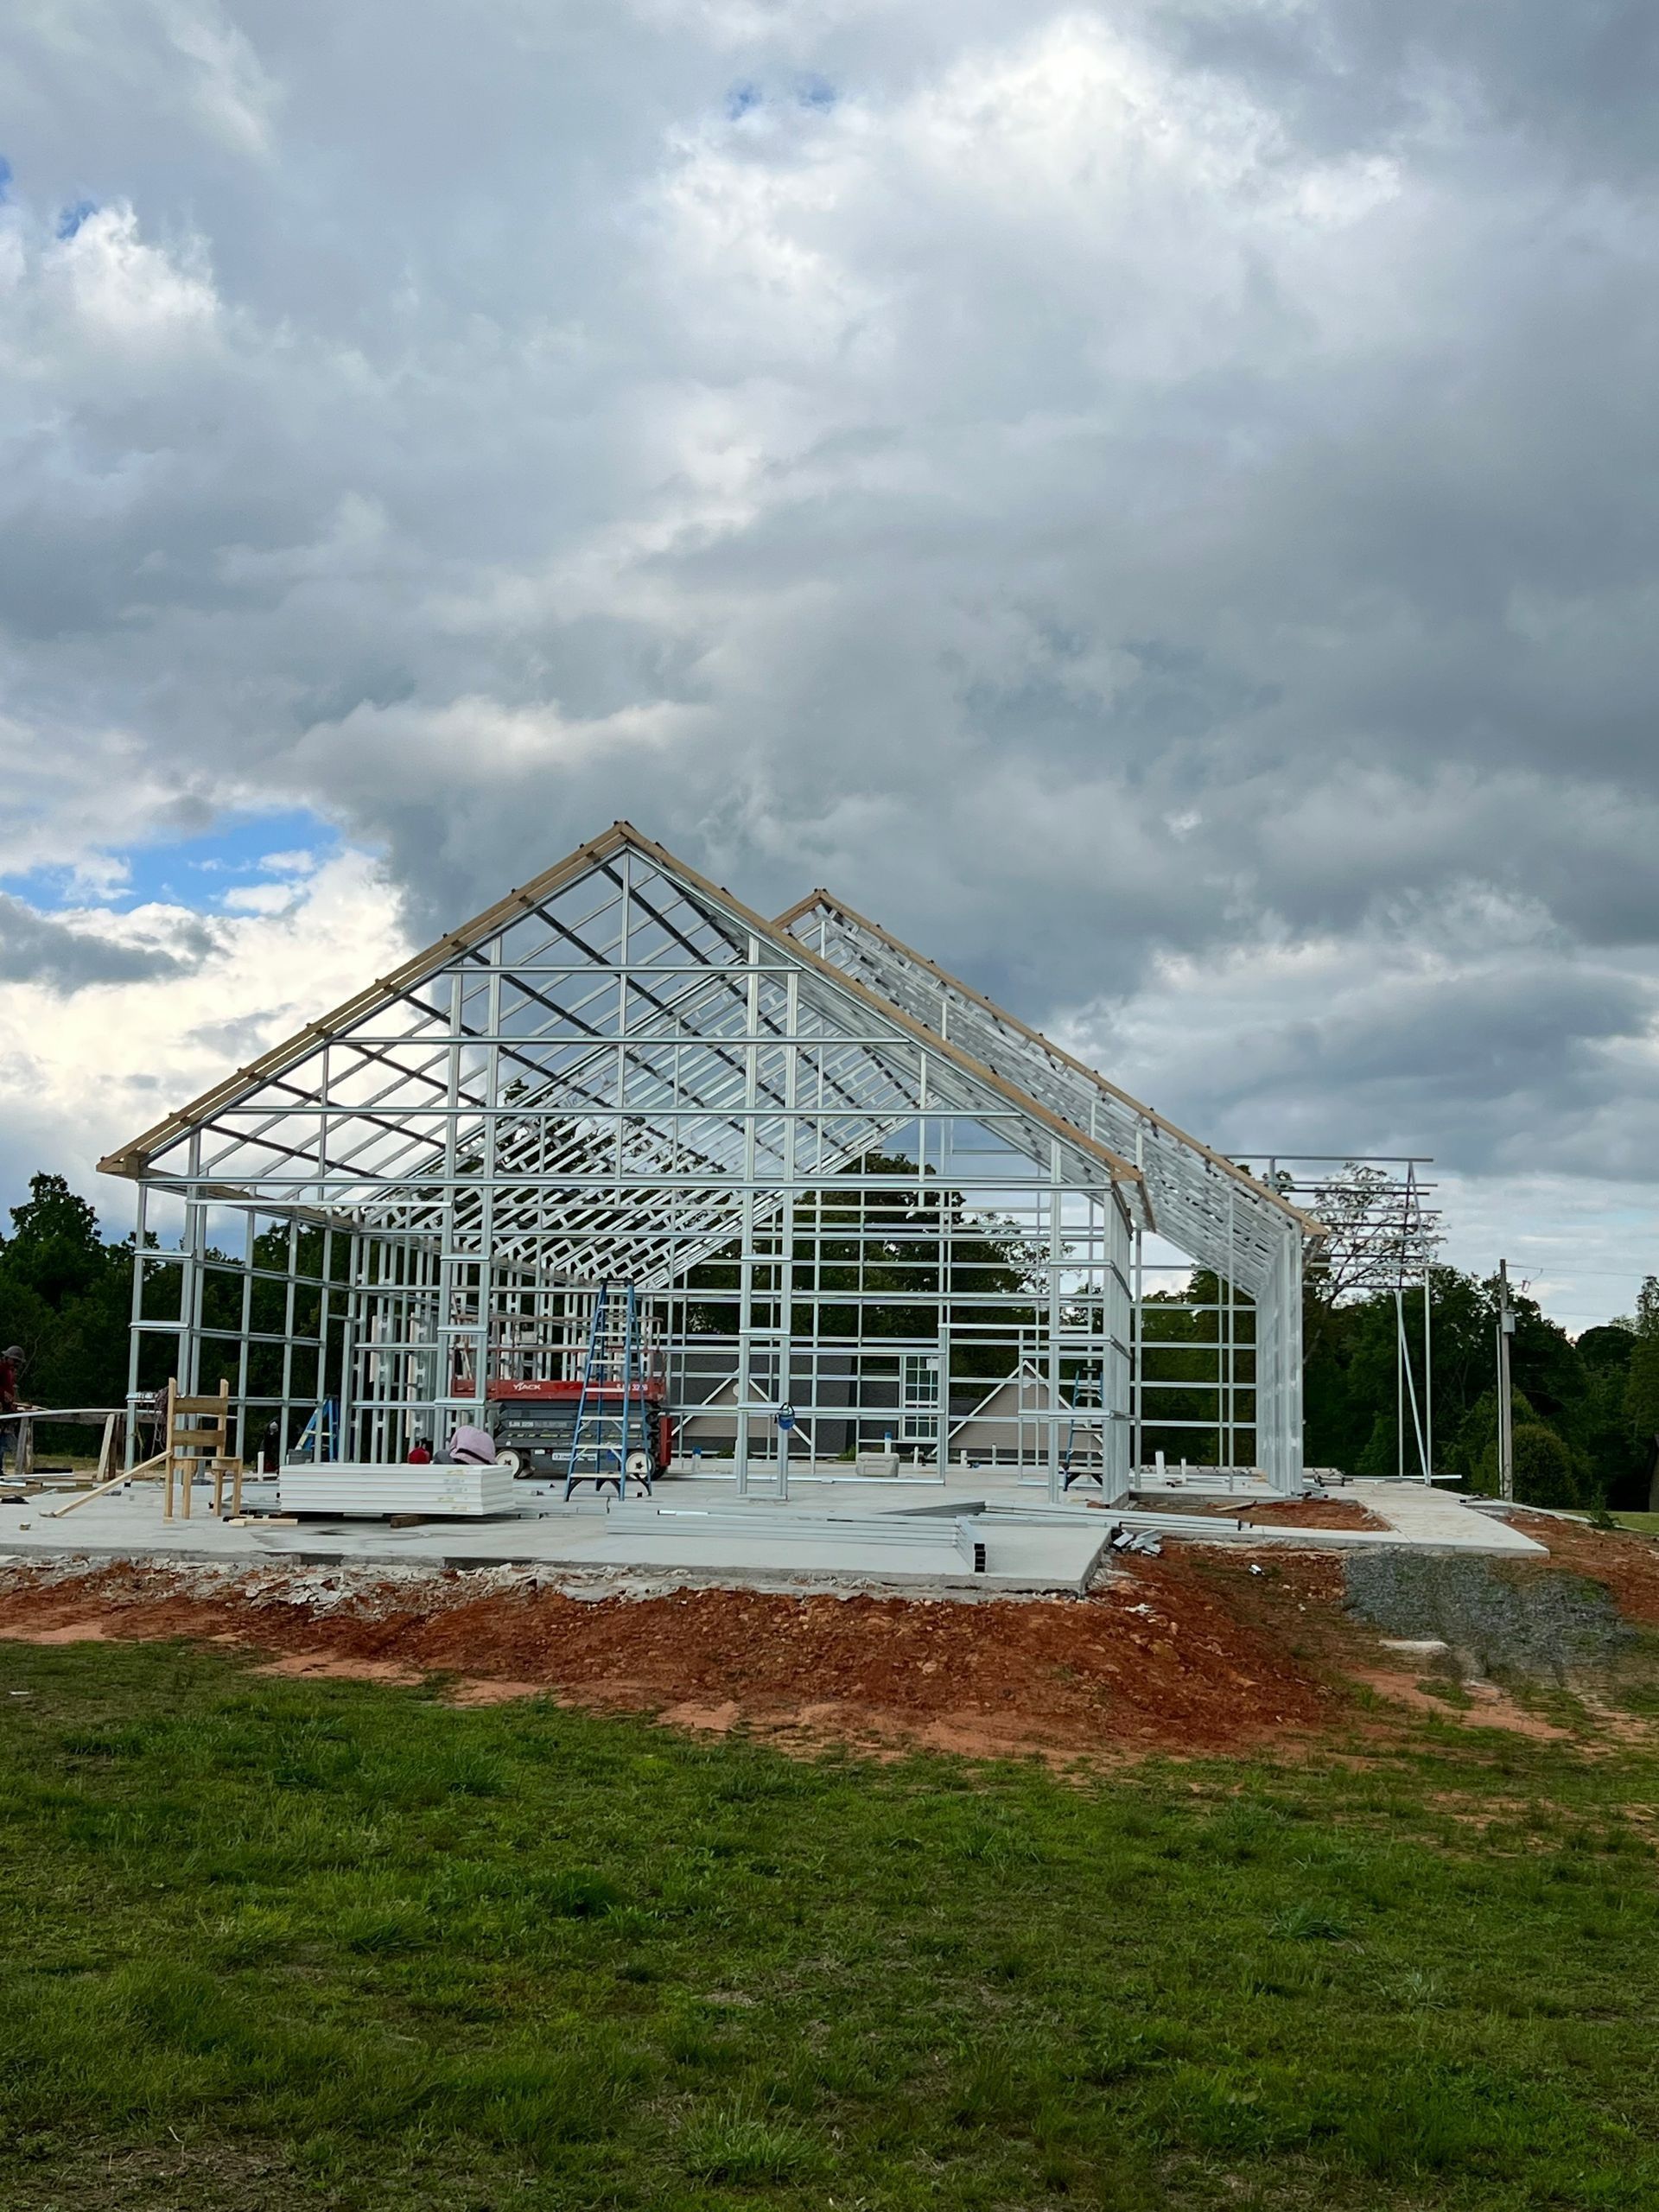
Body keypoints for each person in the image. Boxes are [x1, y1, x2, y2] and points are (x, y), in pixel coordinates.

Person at [0, 1345, 24, 1478]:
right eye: (15, 1361)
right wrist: (3, 1394)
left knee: (3, 1441)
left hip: (5, 1410)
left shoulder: (8, 1371)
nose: (16, 1364)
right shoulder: (1, 1368)